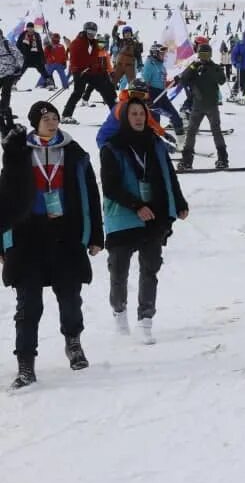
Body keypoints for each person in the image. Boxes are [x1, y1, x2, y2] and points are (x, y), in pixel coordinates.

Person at [0, 101, 104, 389]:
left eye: (55, 116)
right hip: (27, 236)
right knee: (28, 304)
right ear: (35, 122)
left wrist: (96, 234)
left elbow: (91, 195)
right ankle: (25, 362)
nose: (52, 121)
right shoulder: (19, 153)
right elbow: (5, 196)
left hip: (64, 233)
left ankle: (73, 342)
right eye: (45, 117)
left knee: (70, 296)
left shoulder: (73, 153)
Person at [100, 95, 188, 343]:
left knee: (150, 267)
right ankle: (119, 312)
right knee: (119, 270)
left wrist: (179, 202)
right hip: (123, 215)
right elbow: (110, 186)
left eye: (142, 114)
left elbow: (169, 175)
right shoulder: (112, 147)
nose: (139, 118)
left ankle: (145, 319)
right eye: (134, 114)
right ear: (125, 118)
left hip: (155, 213)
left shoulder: (156, 143)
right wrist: (136, 205)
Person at [176, 43, 228, 171]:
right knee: (191, 132)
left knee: (216, 131)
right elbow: (183, 80)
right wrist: (192, 68)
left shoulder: (214, 67)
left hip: (211, 105)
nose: (204, 58)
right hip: (197, 106)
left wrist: (211, 70)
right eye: (201, 55)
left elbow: (222, 80)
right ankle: (187, 160)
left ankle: (223, 159)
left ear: (210, 55)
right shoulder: (194, 67)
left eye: (206, 55)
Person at [61, 22, 117, 124]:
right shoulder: (77, 42)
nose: (92, 34)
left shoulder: (95, 42)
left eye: (94, 32)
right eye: (90, 31)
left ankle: (117, 115)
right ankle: (66, 115)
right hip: (81, 72)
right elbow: (74, 58)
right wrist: (77, 70)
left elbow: (98, 56)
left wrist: (102, 70)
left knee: (106, 91)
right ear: (85, 30)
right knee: (78, 92)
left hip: (93, 72)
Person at [95, 80, 171, 149]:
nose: (136, 98)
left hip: (122, 139)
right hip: (108, 141)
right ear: (128, 93)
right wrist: (159, 144)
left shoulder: (140, 107)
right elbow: (135, 130)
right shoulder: (123, 107)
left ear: (145, 96)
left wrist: (163, 133)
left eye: (140, 95)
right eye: (133, 94)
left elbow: (150, 121)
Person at [141, 44, 184, 134]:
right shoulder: (149, 65)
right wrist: (146, 98)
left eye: (164, 54)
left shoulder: (161, 66)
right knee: (155, 122)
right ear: (155, 53)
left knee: (175, 117)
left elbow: (163, 84)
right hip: (152, 96)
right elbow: (144, 83)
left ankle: (181, 143)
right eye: (162, 54)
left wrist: (174, 82)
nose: (164, 56)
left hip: (162, 96)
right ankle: (152, 143)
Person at [0, 34, 23, 132]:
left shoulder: (6, 43)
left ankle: (4, 112)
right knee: (5, 97)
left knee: (5, 94)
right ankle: (6, 113)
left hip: (9, 73)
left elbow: (18, 55)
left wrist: (19, 67)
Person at [16, 23, 48, 88]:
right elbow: (18, 45)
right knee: (20, 71)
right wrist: (19, 56)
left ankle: (49, 83)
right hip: (25, 57)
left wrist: (43, 58)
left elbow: (39, 47)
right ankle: (13, 84)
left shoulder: (36, 35)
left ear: (33, 28)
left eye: (31, 27)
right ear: (27, 28)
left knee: (43, 70)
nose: (30, 29)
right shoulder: (22, 35)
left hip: (36, 57)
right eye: (29, 27)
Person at [230, 29, 245, 99]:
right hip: (242, 66)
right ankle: (234, 93)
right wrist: (235, 62)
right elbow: (234, 54)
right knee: (239, 80)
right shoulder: (240, 44)